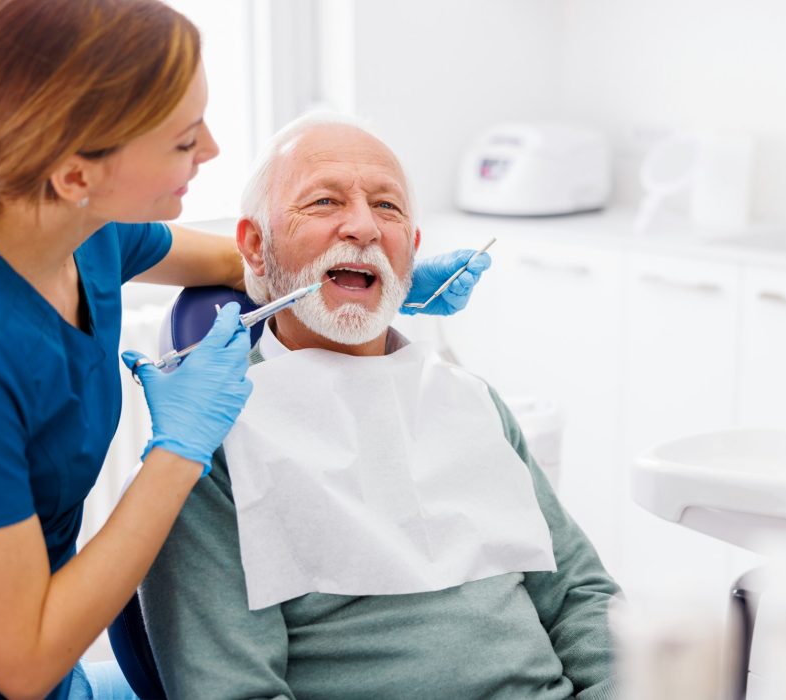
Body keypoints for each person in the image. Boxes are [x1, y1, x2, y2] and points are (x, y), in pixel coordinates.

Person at [0, 3, 489, 698]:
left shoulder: (87, 231)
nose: (210, 150)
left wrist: (380, 282)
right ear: (77, 176)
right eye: (181, 140)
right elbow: (21, 664)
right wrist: (178, 453)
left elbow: (245, 264)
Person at [140, 115, 622, 700]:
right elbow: (234, 688)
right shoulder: (215, 440)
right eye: (323, 202)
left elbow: (582, 596)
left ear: (411, 254)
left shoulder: (470, 403)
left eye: (389, 208)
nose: (365, 227)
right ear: (255, 246)